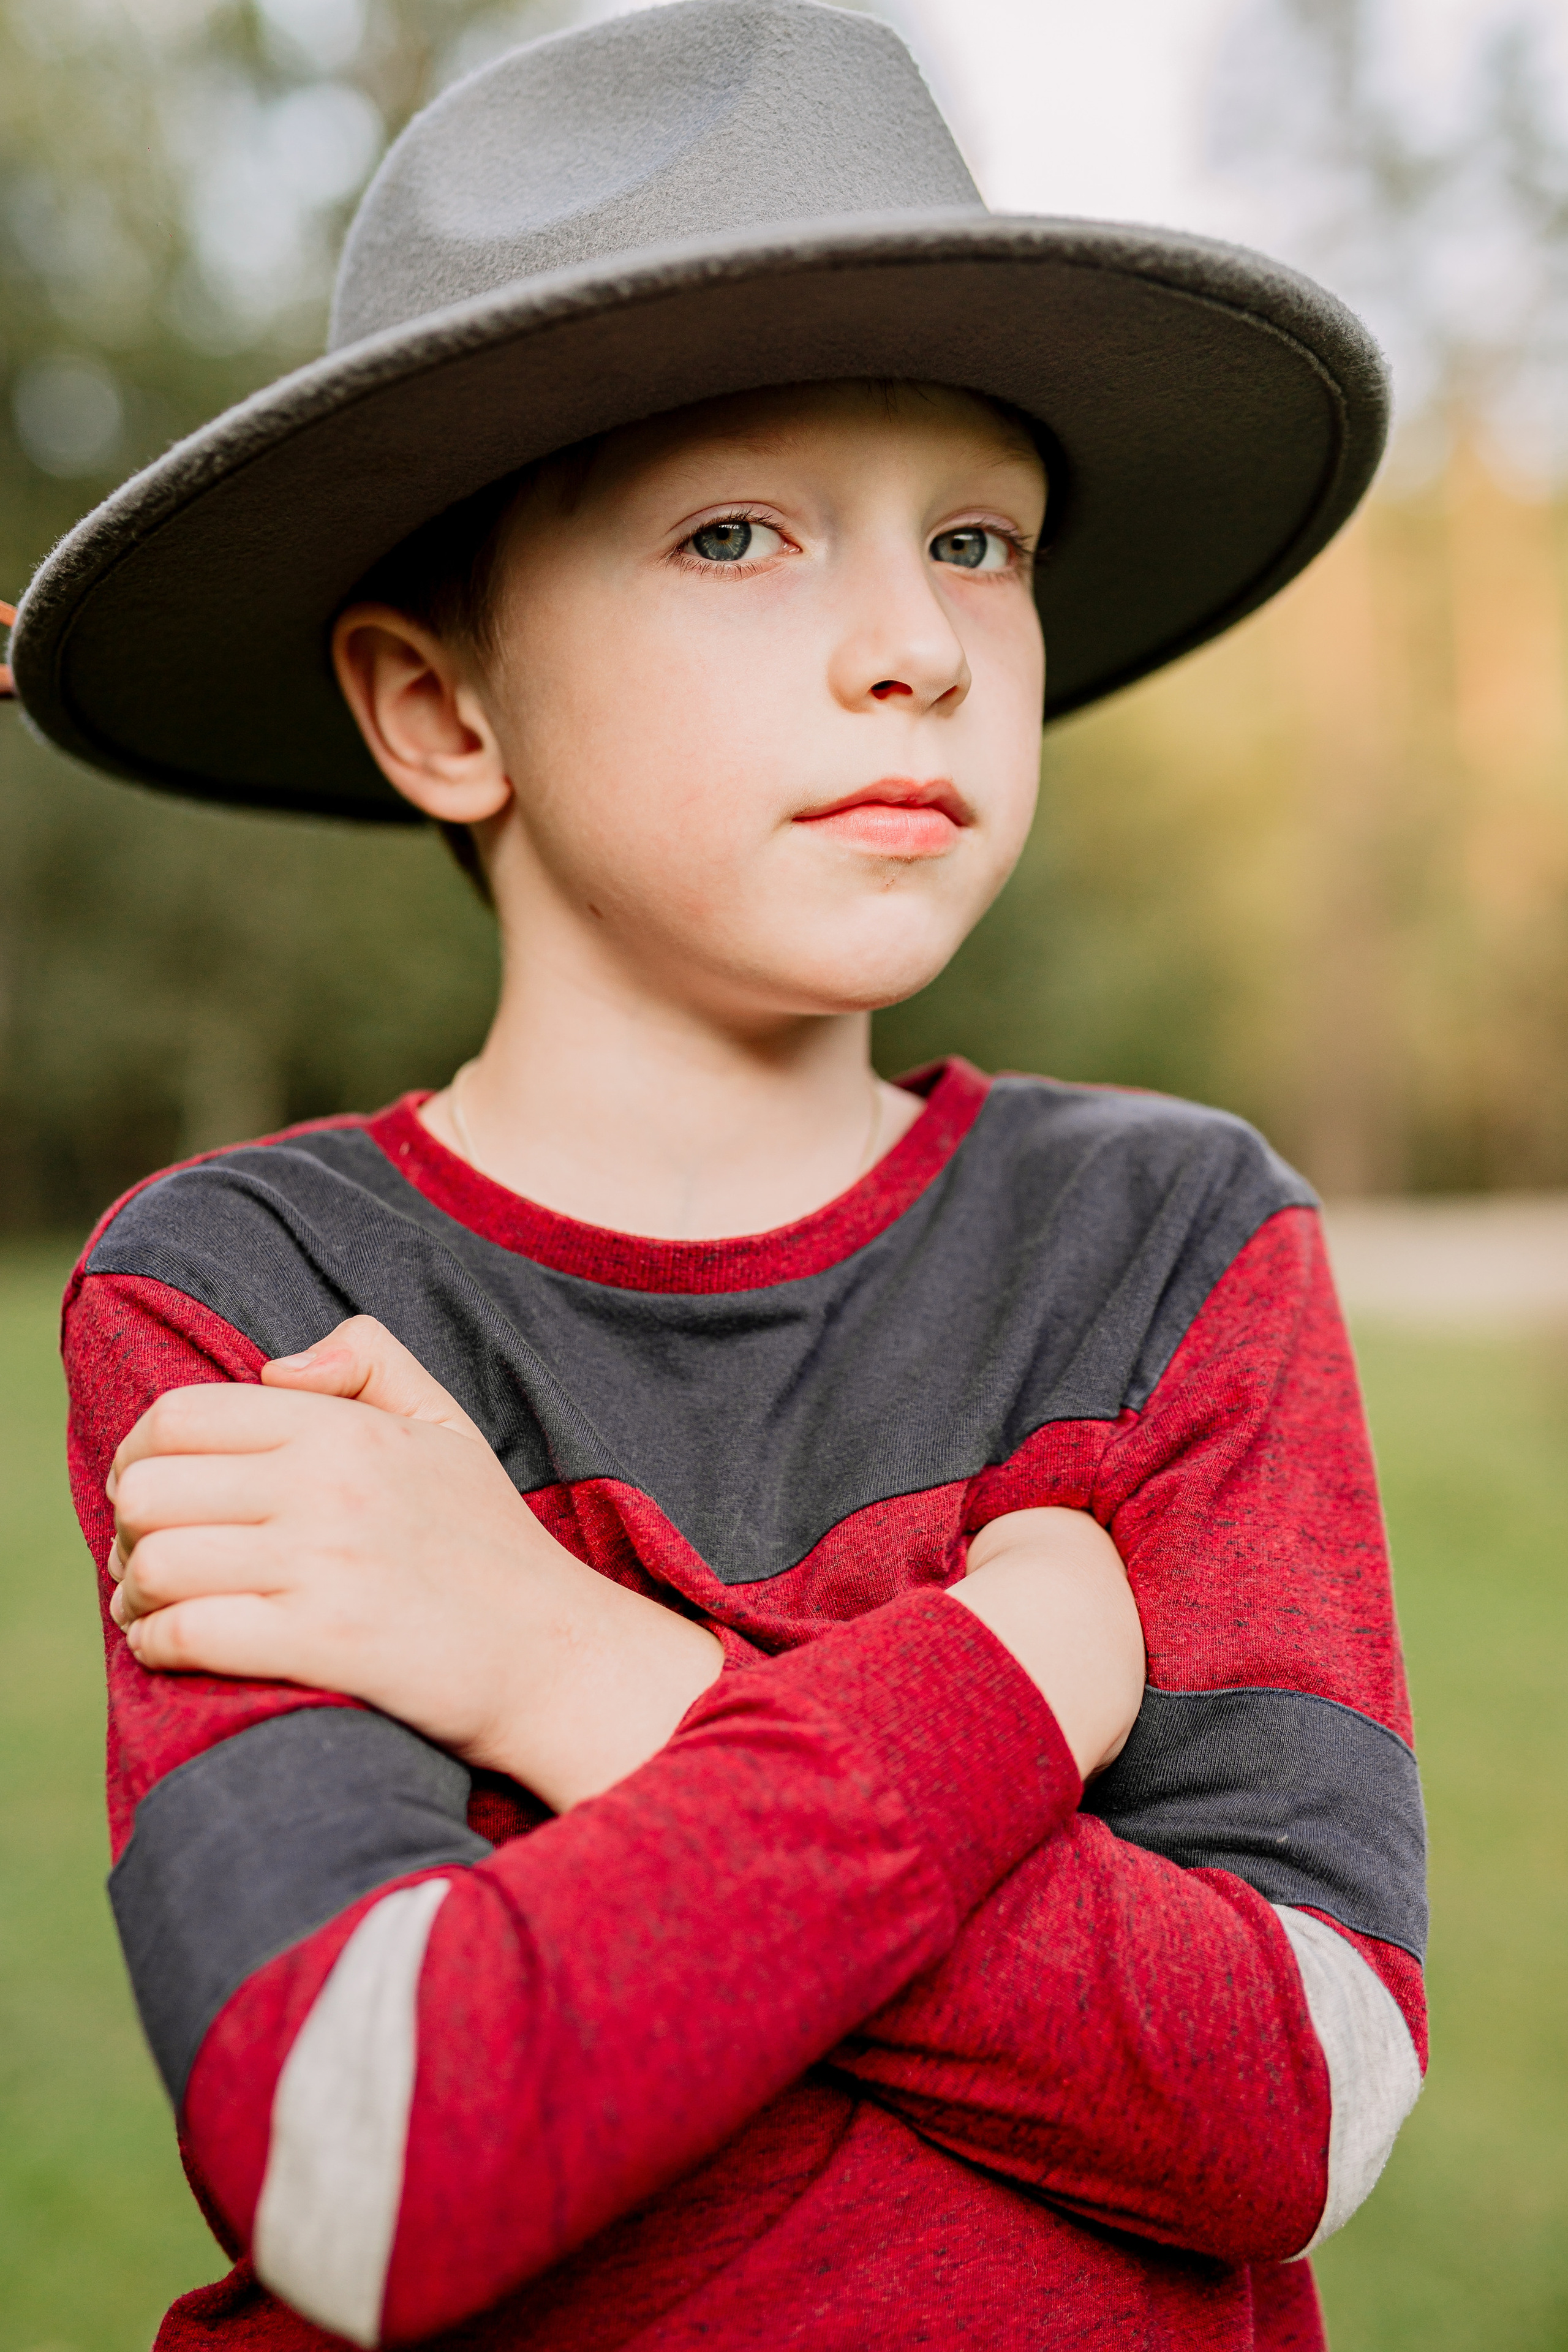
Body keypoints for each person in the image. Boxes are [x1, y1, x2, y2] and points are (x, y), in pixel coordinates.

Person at [8, 4, 1426, 2346]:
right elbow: (365, 2157)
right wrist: (998, 1682)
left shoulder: (1173, 1246)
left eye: (979, 540)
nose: (917, 651)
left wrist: (560, 1664)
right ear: (442, 711)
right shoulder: (260, 1301)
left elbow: (1300, 2093)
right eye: (739, 532)